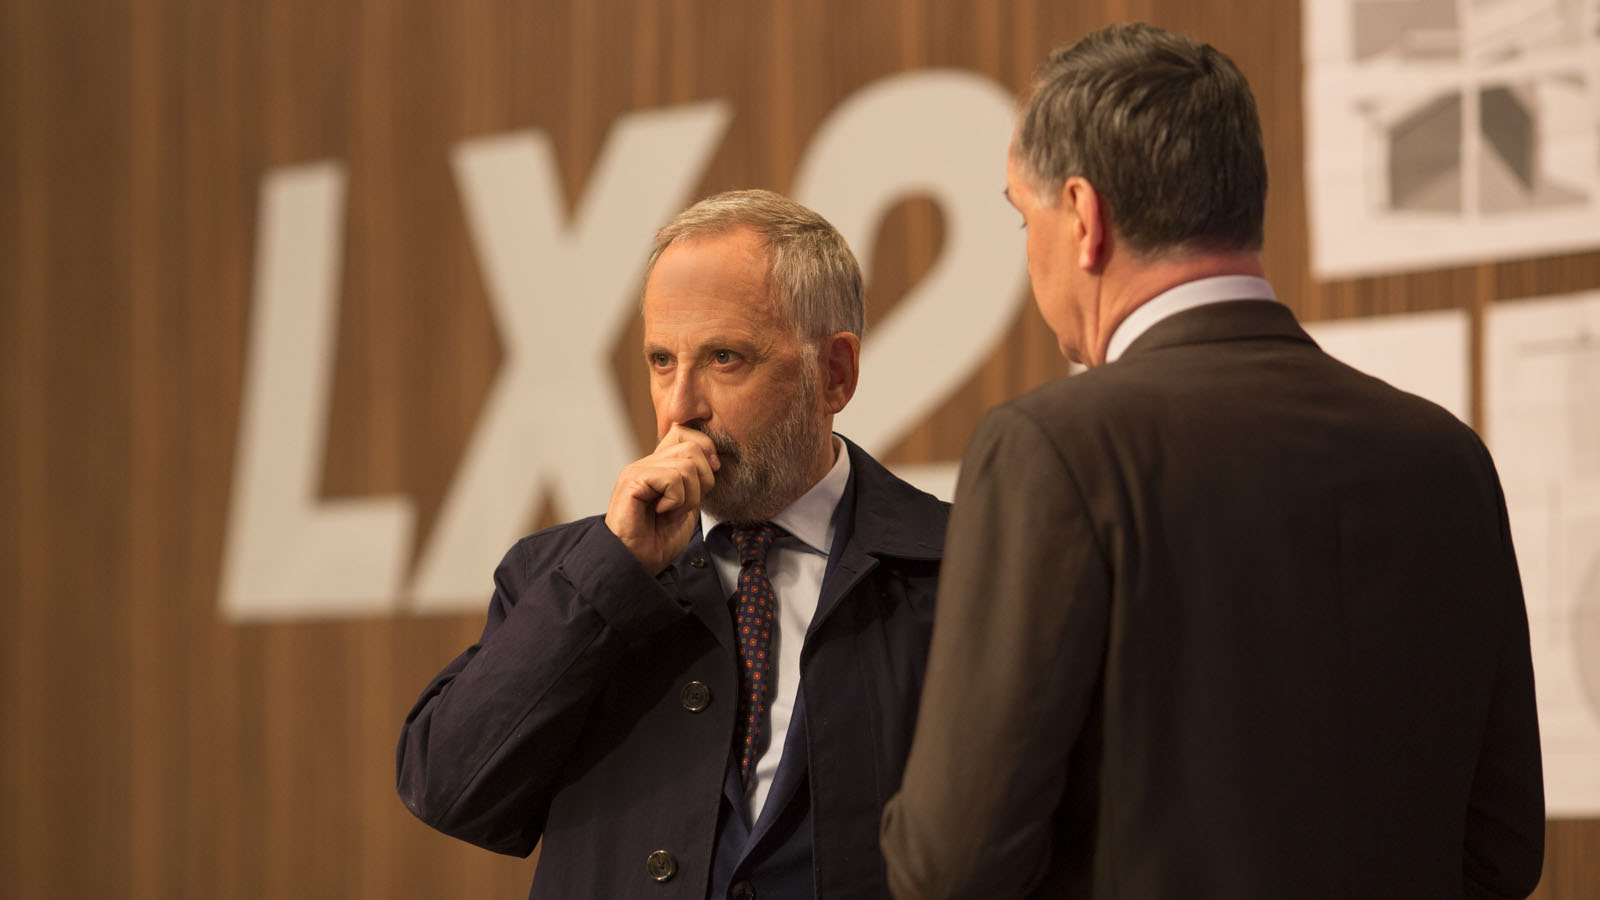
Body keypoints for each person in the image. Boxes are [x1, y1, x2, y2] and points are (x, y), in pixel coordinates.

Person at [879, 22, 1545, 900]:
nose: (1028, 251)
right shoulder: (1448, 456)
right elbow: (1502, 851)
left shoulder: (1053, 449)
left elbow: (949, 867)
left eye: (1021, 216)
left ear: (1083, 218)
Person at [398, 189, 949, 899]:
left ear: (834, 373)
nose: (680, 408)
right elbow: (449, 791)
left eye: (724, 358)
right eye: (662, 360)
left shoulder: (962, 568)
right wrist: (609, 575)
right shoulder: (557, 573)